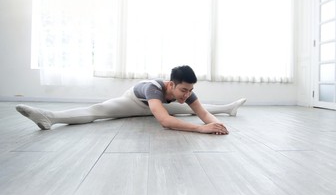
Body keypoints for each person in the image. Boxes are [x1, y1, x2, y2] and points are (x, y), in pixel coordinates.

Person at [16, 65, 246, 135]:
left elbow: (203, 113)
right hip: (134, 103)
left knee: (196, 108)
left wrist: (216, 125)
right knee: (98, 110)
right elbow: (164, 122)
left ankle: (228, 110)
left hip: (159, 109)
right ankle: (49, 117)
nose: (187, 94)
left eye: (190, 90)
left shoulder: (185, 92)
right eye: (184, 90)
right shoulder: (153, 88)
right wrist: (202, 130)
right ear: (171, 84)